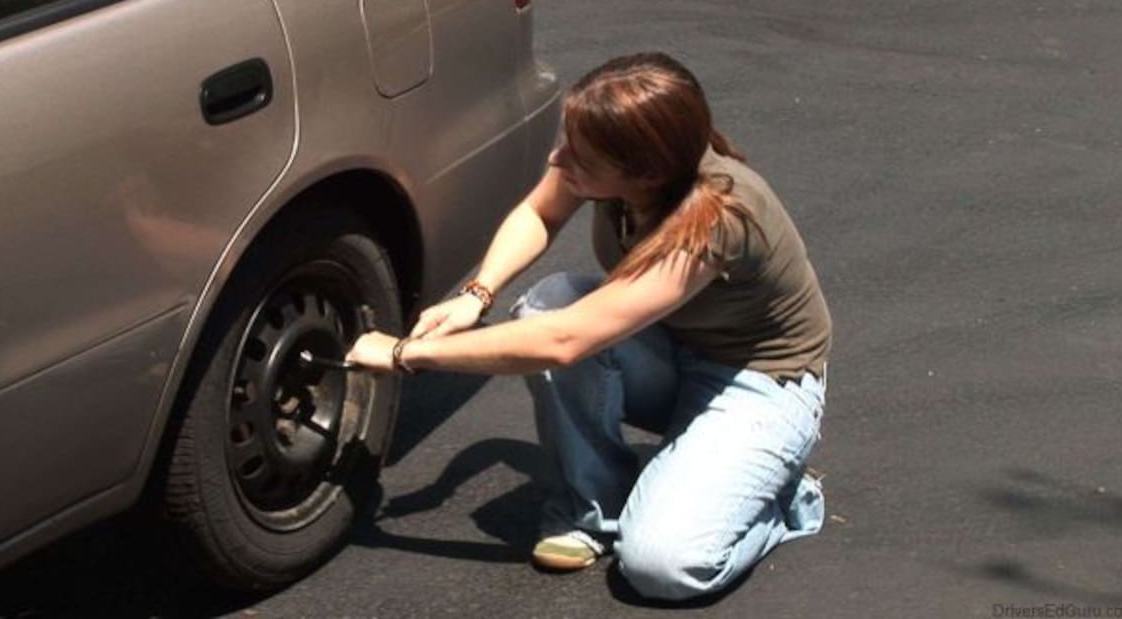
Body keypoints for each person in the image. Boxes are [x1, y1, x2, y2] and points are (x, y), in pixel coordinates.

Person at [345, 52, 832, 601]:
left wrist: (404, 354)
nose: (559, 159)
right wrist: (477, 295)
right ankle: (592, 509)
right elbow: (540, 214)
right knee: (548, 304)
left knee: (663, 567)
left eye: (580, 158)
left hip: (758, 383)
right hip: (668, 351)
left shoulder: (719, 215)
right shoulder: (626, 158)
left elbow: (565, 342)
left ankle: (781, 495)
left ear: (647, 174)